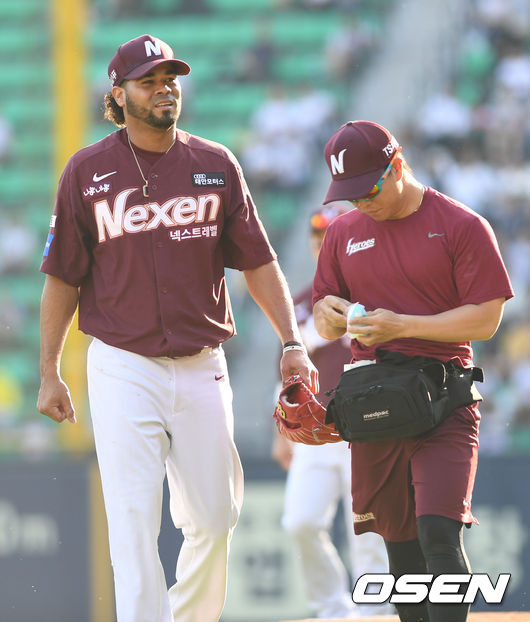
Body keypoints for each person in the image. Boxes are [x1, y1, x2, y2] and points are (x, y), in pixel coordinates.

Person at [36, 34, 317, 622]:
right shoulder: (86, 171)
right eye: (149, 81)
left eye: (171, 79)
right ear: (118, 94)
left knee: (216, 516)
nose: (165, 89)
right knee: (132, 519)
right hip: (123, 365)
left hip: (201, 363)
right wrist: (49, 371)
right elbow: (62, 277)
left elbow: (259, 262)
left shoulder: (215, 163)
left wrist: (292, 341)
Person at [312, 120, 514, 622]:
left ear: (397, 165)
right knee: (399, 548)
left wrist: (403, 325)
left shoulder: (461, 224)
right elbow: (321, 314)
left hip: (445, 395)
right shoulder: (341, 233)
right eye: (350, 195)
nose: (360, 203)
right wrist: (331, 315)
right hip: (373, 403)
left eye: (369, 190)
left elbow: (486, 319)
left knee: (438, 534)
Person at [272, 204, 393, 619]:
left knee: (369, 529)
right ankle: (332, 609)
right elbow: (285, 376)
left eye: (332, 236)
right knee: (300, 521)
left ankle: (374, 611)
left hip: (372, 428)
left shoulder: (381, 292)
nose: (323, 244)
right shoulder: (298, 304)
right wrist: (279, 434)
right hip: (316, 433)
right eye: (317, 237)